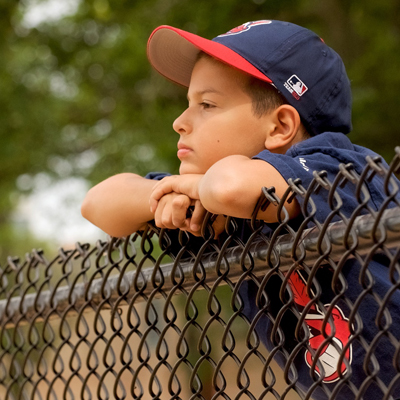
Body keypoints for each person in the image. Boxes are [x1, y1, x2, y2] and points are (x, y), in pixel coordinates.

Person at [81, 20, 400, 399]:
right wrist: (166, 194)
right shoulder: (228, 208)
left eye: (206, 105)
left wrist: (204, 191)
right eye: (188, 104)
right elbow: (98, 203)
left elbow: (227, 186)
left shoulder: (342, 172)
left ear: (281, 126)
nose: (180, 123)